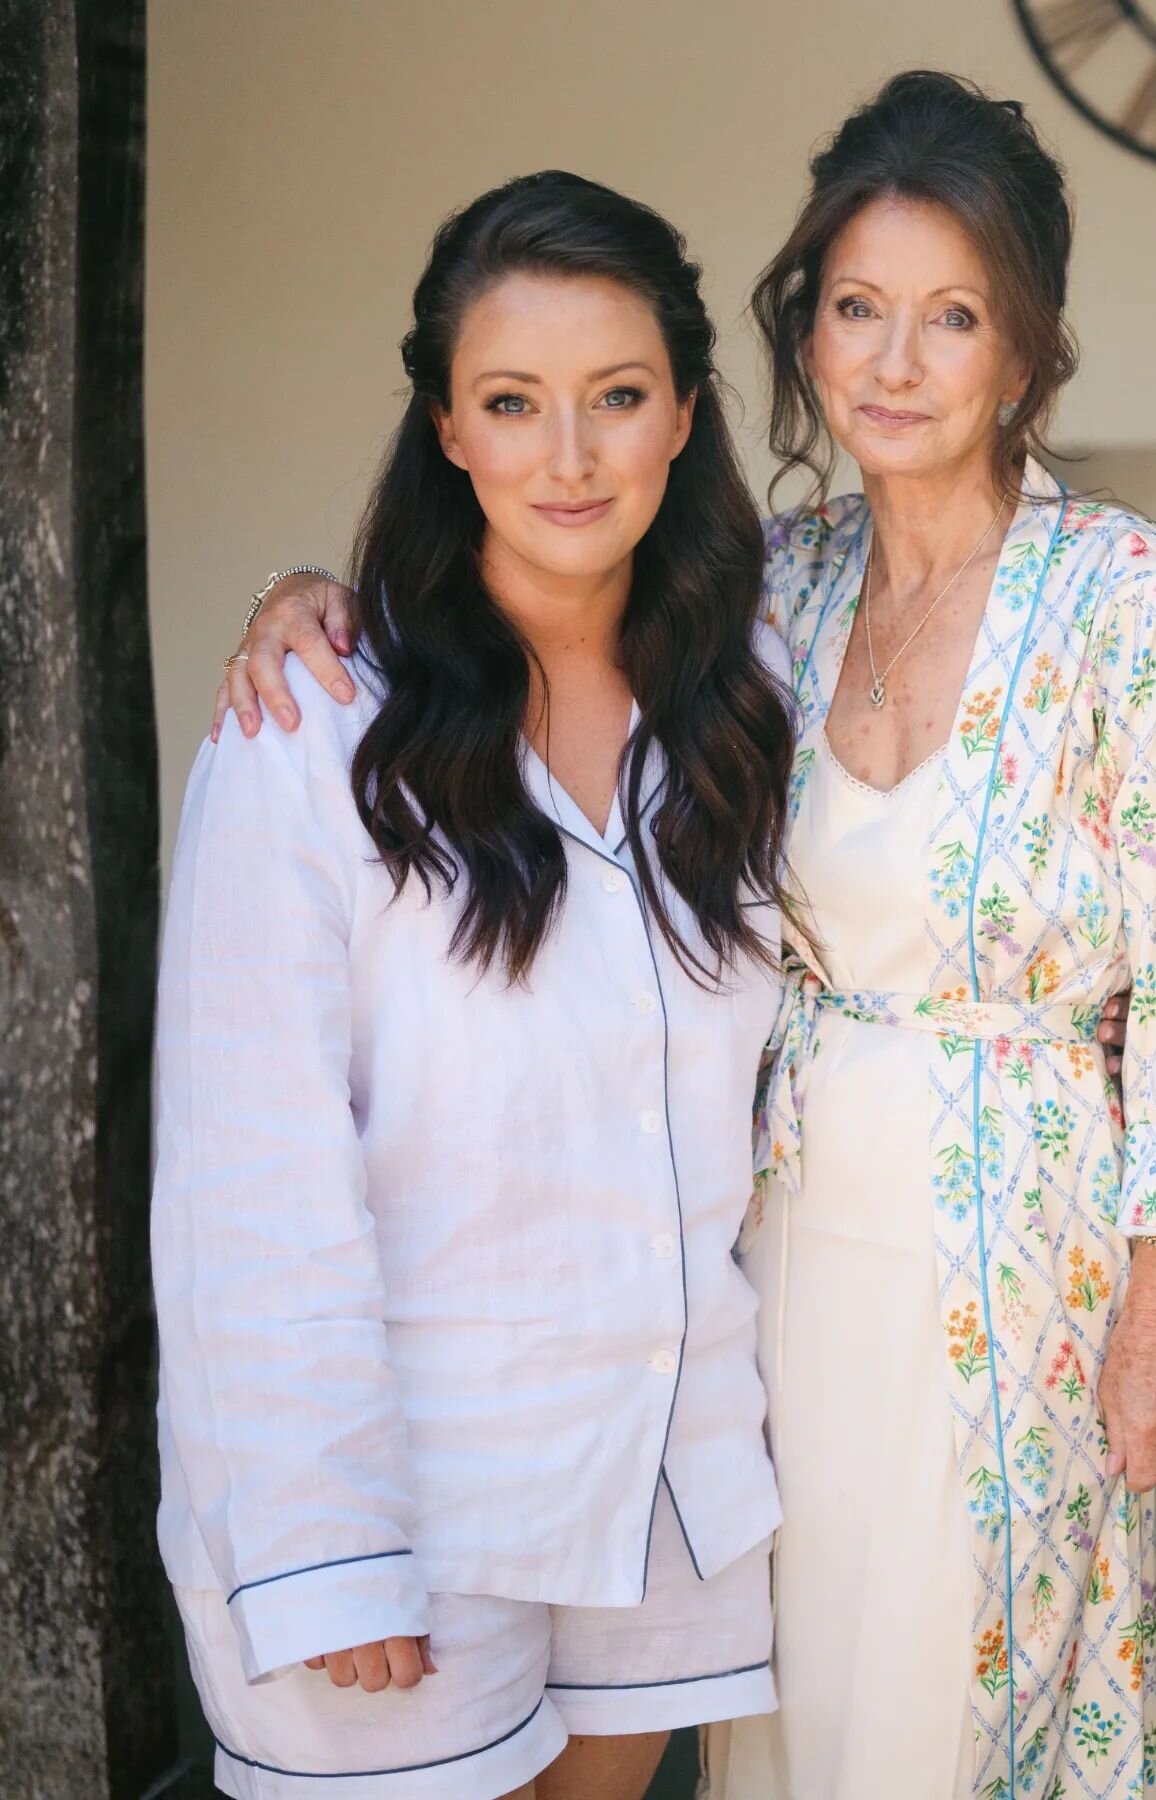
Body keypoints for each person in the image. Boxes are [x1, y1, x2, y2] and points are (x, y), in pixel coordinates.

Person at [209, 73, 1156, 1800]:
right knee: (789, 1709)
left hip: (1020, 1258)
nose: (895, 359)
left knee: (972, 1700)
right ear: (802, 336)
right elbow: (519, 584)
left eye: (952, 318)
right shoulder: (763, 591)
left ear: (1023, 353)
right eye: (857, 309)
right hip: (763, 1283)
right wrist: (314, 598)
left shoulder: (1126, 600)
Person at [151, 170, 799, 1800]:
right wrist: (322, 1540)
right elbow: (250, 1174)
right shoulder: (312, 735)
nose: (568, 457)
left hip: (666, 1482)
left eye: (616, 399)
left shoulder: (754, 698)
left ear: (684, 418)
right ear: (447, 429)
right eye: (512, 403)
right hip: (407, 1508)